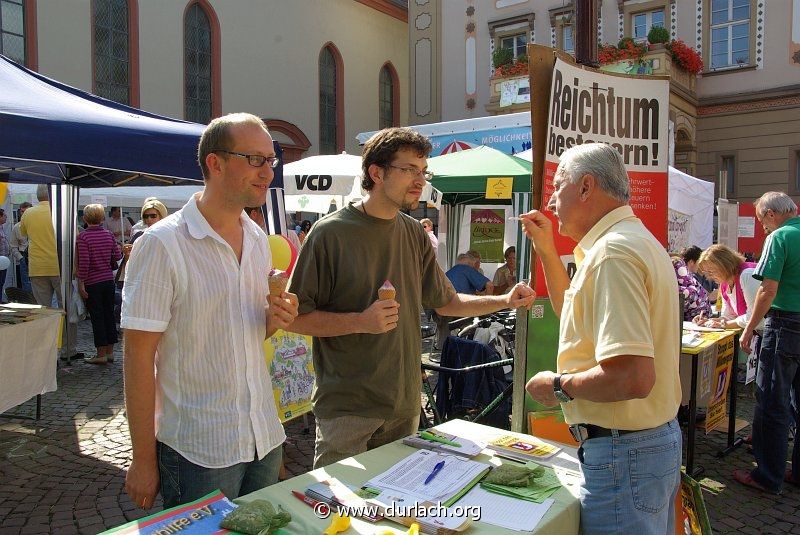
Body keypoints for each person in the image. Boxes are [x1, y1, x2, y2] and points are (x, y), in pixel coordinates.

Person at [287, 127, 535, 469]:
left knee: (393, 514)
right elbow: (296, 317)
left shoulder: (412, 233)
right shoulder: (329, 234)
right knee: (337, 513)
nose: (420, 181)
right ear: (376, 172)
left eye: (423, 171)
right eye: (409, 170)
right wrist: (360, 322)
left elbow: (446, 302)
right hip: (348, 409)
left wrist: (506, 300)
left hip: (404, 407)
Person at [122, 113, 299, 510]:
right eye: (255, 159)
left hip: (263, 438)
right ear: (215, 163)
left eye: (272, 160)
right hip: (197, 450)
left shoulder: (257, 240)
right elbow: (137, 358)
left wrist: (273, 320)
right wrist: (143, 459)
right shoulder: (162, 245)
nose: (268, 172)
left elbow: (246, 336)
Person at [520, 143, 681, 535]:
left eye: (558, 187)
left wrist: (558, 387)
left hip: (624, 452)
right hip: (639, 447)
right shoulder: (626, 241)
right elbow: (573, 313)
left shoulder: (613, 254)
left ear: (587, 187)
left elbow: (633, 378)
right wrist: (545, 250)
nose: (552, 201)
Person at [734, 191, 800, 494]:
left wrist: (748, 329)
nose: (763, 227)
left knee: (772, 403)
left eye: (762, 221)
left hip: (784, 325)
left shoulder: (780, 237)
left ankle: (767, 475)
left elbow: (766, 290)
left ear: (771, 214)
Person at [20, 184, 82, 361]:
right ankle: (69, 349)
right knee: (67, 309)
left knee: (43, 310)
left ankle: (45, 352)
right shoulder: (62, 212)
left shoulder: (28, 213)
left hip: (38, 267)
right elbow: (75, 237)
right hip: (61, 265)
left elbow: (23, 233)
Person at [75, 204, 122, 365]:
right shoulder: (108, 234)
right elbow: (117, 255)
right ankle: (110, 352)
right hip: (108, 280)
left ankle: (100, 353)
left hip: (93, 281)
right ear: (102, 218)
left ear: (85, 218)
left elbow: (84, 263)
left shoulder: (83, 237)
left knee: (97, 317)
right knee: (109, 314)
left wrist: (81, 283)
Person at [693, 244, 761, 331]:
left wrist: (723, 324)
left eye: (711, 271)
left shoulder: (747, 275)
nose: (708, 277)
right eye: (707, 273)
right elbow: (729, 316)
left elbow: (755, 315)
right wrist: (709, 321)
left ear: (724, 265)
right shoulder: (724, 284)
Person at [671, 256, 711, 321]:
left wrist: (671, 289)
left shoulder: (678, 267)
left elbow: (691, 292)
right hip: (693, 312)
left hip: (698, 314)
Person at [9, 202, 32, 293]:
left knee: (40, 284)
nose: (24, 213)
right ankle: (30, 305)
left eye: (27, 211)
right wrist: (20, 258)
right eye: (22, 211)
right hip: (24, 258)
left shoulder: (39, 226)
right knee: (26, 284)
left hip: (38, 257)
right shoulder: (16, 227)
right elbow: (13, 246)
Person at [0, 208, 8, 301]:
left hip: (3, 261)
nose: (6, 217)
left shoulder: (1, 227)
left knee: (1, 282)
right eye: (4, 216)